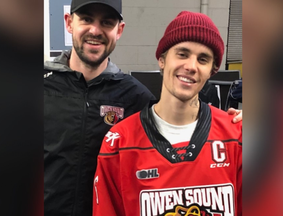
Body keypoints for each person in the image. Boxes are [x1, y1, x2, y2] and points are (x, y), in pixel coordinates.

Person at [44, 0, 242, 215]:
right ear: (69, 22)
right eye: (87, 19)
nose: (95, 30)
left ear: (119, 30)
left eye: (107, 22)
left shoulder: (135, 96)